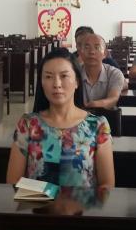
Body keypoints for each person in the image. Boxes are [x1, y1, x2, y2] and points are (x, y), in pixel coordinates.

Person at [6, 48, 114, 191]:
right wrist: (53, 197)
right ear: (41, 83)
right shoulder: (28, 124)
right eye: (48, 77)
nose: (56, 84)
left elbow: (107, 185)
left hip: (82, 205)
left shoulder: (98, 125)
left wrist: (72, 200)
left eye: (64, 76)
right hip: (36, 205)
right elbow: (13, 181)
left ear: (77, 82)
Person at [78, 33, 125, 109]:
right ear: (80, 52)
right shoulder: (73, 73)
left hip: (106, 115)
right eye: (87, 47)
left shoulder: (114, 73)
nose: (92, 52)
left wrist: (92, 106)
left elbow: (113, 99)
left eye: (97, 47)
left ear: (105, 53)